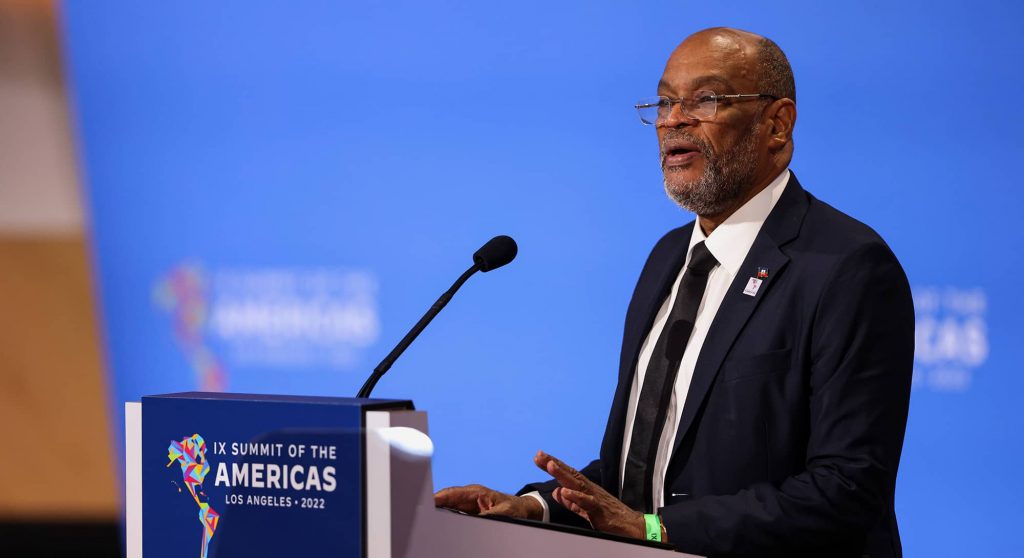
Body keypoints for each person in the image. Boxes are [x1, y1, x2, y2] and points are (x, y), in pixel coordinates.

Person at [435, 27, 913, 558]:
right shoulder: (668, 258)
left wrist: (658, 531)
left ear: (777, 123)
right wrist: (539, 508)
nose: (672, 120)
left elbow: (846, 490)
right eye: (664, 101)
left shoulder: (846, 266)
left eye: (705, 100)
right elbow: (642, 472)